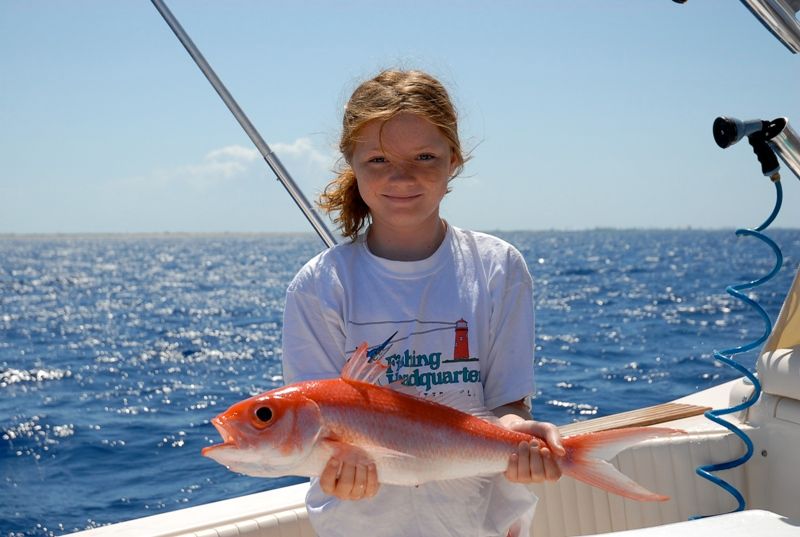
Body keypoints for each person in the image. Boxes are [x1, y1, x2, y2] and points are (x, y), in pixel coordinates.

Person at [281, 69, 564, 537]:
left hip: (481, 521)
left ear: (454, 159)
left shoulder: (498, 267)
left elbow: (508, 403)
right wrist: (335, 469)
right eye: (377, 159)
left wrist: (519, 435)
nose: (402, 176)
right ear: (350, 160)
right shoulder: (318, 286)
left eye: (425, 156)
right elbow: (317, 427)